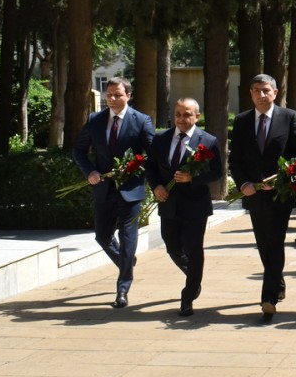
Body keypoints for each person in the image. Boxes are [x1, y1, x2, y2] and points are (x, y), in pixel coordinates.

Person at [228, 73, 296, 321]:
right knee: (264, 243)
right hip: (254, 194)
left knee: (275, 241)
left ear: (275, 92)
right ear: (250, 93)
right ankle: (277, 279)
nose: (261, 95)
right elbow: (236, 160)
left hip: (280, 194)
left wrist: (283, 177)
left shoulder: (289, 117)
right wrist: (243, 183)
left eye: (265, 90)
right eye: (256, 91)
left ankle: (269, 296)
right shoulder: (241, 121)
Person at [72, 77, 155, 308]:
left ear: (128, 95)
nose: (112, 99)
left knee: (128, 239)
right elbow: (79, 151)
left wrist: (134, 167)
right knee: (102, 237)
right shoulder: (95, 120)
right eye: (109, 94)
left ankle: (122, 288)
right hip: (103, 189)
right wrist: (90, 172)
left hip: (130, 190)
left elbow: (151, 154)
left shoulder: (141, 121)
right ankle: (126, 262)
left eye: (118, 94)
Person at [147, 97, 222, 316]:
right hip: (168, 202)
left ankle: (188, 296)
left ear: (197, 116)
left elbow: (217, 172)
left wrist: (193, 178)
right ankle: (194, 276)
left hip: (195, 205)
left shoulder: (207, 141)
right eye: (178, 114)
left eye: (187, 114)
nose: (182, 118)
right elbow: (150, 167)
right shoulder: (161, 139)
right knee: (172, 246)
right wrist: (156, 186)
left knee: (193, 249)